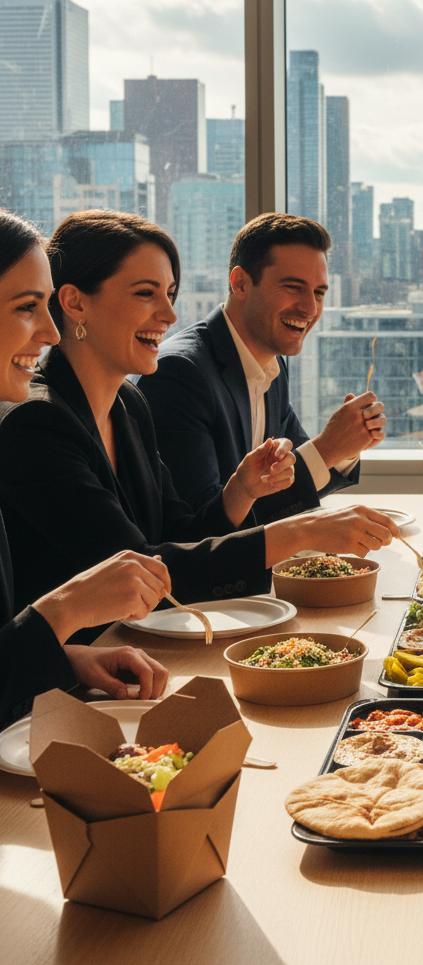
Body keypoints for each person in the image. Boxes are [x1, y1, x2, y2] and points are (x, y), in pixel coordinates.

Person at [0, 210, 399, 635]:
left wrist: (239, 493)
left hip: (131, 657)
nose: (170, 316)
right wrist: (297, 534)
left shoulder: (128, 404)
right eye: (145, 294)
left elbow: (181, 533)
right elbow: (144, 571)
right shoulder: (37, 424)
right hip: (67, 682)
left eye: (170, 293)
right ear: (76, 303)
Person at [0, 210, 171, 728]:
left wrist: (70, 658)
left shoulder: (130, 405)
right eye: (29, 307)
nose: (51, 332)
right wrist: (62, 613)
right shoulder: (34, 426)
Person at [137, 213, 387, 524]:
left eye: (319, 293)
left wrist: (348, 445)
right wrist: (327, 449)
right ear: (240, 283)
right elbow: (200, 530)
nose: (310, 308)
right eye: (293, 287)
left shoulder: (272, 364)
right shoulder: (179, 374)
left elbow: (289, 488)